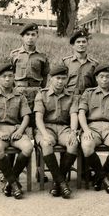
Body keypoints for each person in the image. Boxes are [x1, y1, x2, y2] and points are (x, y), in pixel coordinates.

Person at [0, 63, 33, 199]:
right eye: (4, 76)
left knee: (28, 147)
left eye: (10, 76)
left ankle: (10, 181)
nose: (8, 79)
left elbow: (26, 116)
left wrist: (21, 130)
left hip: (15, 129)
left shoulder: (20, 96)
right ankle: (14, 184)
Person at [10, 23, 49, 182]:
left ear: (37, 36)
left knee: (38, 131)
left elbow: (45, 78)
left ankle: (41, 171)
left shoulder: (42, 56)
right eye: (27, 35)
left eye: (33, 34)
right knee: (17, 130)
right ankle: (12, 172)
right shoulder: (14, 54)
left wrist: (38, 91)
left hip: (36, 94)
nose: (30, 37)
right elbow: (10, 75)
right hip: (19, 94)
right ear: (22, 37)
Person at [78, 64, 109, 193]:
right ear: (96, 79)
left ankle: (99, 177)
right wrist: (86, 129)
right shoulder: (88, 93)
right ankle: (104, 178)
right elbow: (81, 113)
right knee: (87, 146)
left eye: (107, 77)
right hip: (92, 127)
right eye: (101, 77)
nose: (104, 79)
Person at [34, 65, 79, 199]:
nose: (60, 81)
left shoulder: (71, 95)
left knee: (73, 144)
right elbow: (38, 118)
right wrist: (45, 134)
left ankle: (57, 182)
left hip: (64, 128)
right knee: (47, 144)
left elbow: (74, 115)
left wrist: (73, 132)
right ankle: (62, 183)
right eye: (57, 78)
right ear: (51, 79)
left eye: (63, 78)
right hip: (46, 127)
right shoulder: (42, 94)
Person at [61, 29, 99, 95]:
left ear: (87, 44)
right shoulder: (66, 62)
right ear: (73, 45)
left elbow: (97, 85)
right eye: (78, 42)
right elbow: (60, 81)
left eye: (84, 42)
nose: (81, 44)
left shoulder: (94, 64)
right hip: (69, 97)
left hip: (87, 97)